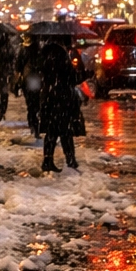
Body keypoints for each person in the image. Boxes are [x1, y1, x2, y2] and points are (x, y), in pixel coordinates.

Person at [34, 35, 85, 173]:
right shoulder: (60, 55)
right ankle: (69, 160)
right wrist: (84, 75)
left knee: (53, 130)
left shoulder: (45, 53)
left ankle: (49, 160)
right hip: (61, 98)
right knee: (65, 130)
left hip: (50, 96)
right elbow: (70, 78)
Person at [15, 36, 43, 137]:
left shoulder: (24, 50)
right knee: (37, 104)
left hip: (28, 79)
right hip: (39, 80)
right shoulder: (41, 50)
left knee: (31, 105)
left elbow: (18, 65)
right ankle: (36, 125)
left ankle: (33, 124)